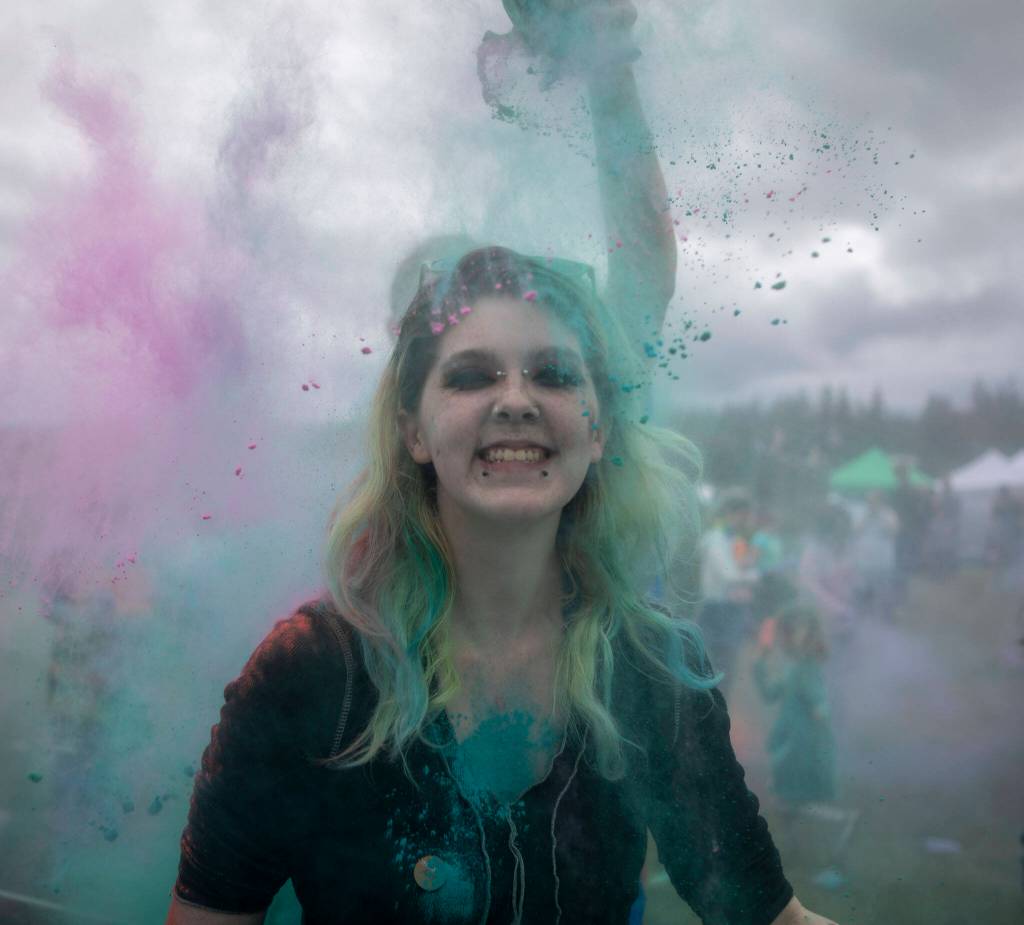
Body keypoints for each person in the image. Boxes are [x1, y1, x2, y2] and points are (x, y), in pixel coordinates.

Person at [166, 247, 841, 925]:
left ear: (599, 427)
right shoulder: (314, 672)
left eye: (552, 374)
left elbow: (770, 916)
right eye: (470, 376)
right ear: (413, 431)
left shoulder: (651, 668)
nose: (516, 400)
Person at [753, 602, 859, 892]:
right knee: (786, 803)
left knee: (796, 803)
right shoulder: (797, 667)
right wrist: (762, 658)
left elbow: (820, 709)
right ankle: (794, 856)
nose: (789, 635)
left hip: (801, 751)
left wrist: (815, 719)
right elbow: (770, 693)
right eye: (789, 630)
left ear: (810, 634)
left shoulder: (808, 668)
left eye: (797, 629)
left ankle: (843, 832)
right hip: (789, 748)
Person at [697, 490, 759, 694]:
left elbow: (747, 567)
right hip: (716, 608)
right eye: (742, 515)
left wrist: (750, 571)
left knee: (726, 668)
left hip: (732, 609)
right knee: (708, 665)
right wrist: (751, 575)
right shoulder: (716, 538)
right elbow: (728, 574)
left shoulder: (736, 540)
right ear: (731, 513)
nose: (745, 520)